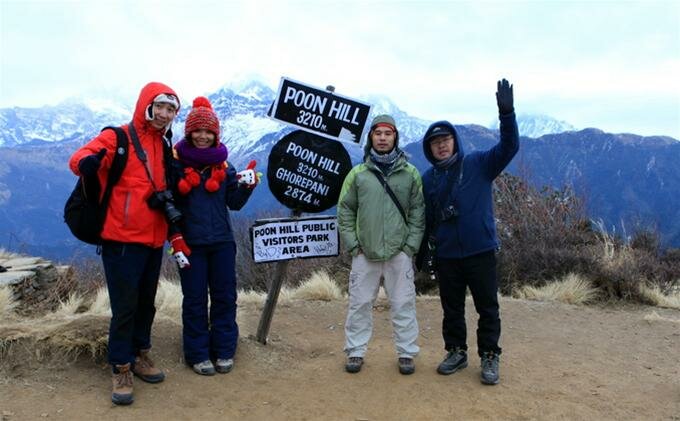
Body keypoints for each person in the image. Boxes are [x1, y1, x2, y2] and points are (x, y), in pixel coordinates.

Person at [68, 82, 180, 405]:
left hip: (153, 240)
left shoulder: (164, 143)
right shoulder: (117, 137)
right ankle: (120, 366)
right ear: (146, 104)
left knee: (147, 301)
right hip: (121, 240)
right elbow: (79, 157)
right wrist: (87, 165)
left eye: (171, 109)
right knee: (125, 306)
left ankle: (141, 352)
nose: (164, 114)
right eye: (160, 106)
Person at [418, 78, 519, 385]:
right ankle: (456, 352)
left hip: (480, 250)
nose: (441, 145)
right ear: (429, 149)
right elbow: (425, 219)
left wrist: (507, 114)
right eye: (436, 142)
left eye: (446, 139)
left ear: (455, 141)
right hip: (447, 255)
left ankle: (490, 356)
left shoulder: (478, 164)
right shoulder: (427, 179)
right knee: (452, 309)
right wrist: (422, 254)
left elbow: (509, 147)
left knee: (487, 306)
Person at [171, 96, 258, 376]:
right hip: (190, 243)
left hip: (222, 241)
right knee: (194, 298)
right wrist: (174, 239)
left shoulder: (225, 166)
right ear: (189, 132)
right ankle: (197, 353)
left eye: (209, 132)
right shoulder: (174, 165)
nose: (203, 136)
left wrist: (247, 186)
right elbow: (167, 205)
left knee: (224, 296)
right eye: (198, 130)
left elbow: (234, 202)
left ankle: (224, 349)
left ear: (216, 134)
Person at [337, 114, 425, 375]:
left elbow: (418, 213)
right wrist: (354, 245)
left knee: (403, 303)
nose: (383, 138)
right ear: (371, 137)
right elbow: (345, 211)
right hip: (365, 253)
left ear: (395, 137)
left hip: (399, 253)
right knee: (359, 304)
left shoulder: (410, 174)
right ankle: (355, 351)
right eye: (379, 133)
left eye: (388, 133)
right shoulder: (358, 175)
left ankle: (407, 352)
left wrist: (410, 247)